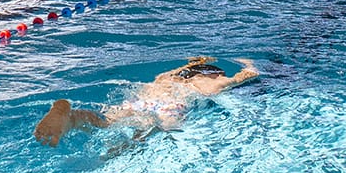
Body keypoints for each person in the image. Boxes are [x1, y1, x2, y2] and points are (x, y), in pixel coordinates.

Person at [33, 56, 259, 146]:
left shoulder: (165, 78)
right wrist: (248, 64)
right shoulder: (206, 83)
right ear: (210, 74)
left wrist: (194, 63)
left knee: (107, 123)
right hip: (167, 110)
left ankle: (73, 117)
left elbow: (185, 70)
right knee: (141, 138)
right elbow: (245, 77)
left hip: (138, 101)